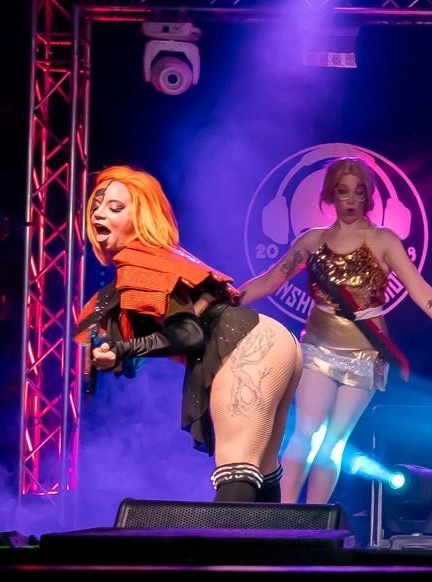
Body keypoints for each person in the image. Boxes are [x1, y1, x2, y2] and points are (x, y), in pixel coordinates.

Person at [239, 157, 432, 503]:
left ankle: (313, 523)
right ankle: (282, 517)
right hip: (317, 347)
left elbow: (421, 291)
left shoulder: (384, 241)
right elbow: (271, 279)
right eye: (342, 192)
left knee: (334, 441)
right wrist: (225, 298)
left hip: (364, 354)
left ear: (367, 197)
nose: (349, 200)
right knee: (306, 433)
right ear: (330, 195)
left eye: (357, 192)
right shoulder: (313, 241)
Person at [79, 166, 301, 502]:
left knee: (236, 464)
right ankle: (263, 555)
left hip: (244, 344)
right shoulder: (155, 262)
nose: (99, 213)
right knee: (261, 466)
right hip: (268, 340)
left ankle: (227, 555)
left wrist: (123, 349)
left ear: (141, 217)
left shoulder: (141, 265)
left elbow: (188, 334)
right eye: (97, 205)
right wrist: (117, 352)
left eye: (115, 207)